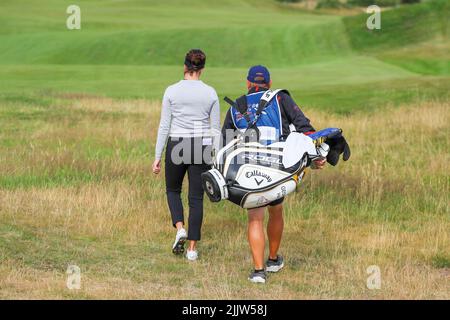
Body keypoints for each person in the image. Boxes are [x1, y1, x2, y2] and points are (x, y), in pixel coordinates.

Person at [221, 65, 326, 283]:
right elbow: (304, 127)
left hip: (248, 171)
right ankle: (273, 259)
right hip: (277, 170)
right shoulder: (280, 98)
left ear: (248, 83)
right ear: (268, 83)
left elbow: (225, 144)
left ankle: (259, 271)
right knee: (276, 211)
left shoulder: (235, 106)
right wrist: (316, 154)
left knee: (255, 218)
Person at [153, 49, 220, 261]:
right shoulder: (210, 93)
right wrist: (216, 156)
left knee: (173, 190)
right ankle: (192, 249)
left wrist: (157, 155)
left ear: (185, 67)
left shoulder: (171, 91)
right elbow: (215, 129)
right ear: (202, 69)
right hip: (200, 146)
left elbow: (165, 125)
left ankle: (180, 228)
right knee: (196, 198)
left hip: (176, 143)